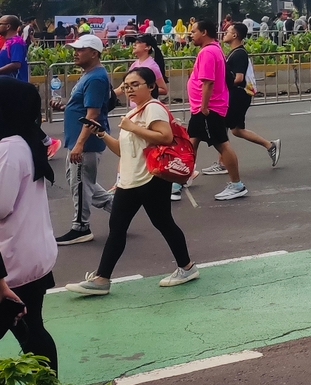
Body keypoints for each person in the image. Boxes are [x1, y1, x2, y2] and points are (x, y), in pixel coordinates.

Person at [64, 67, 199, 297]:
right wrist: (102, 134)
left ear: (151, 86)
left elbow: (165, 137)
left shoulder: (153, 109)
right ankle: (102, 280)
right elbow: (123, 151)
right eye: (126, 86)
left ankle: (186, 268)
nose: (130, 90)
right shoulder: (132, 114)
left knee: (163, 223)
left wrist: (133, 127)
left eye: (135, 84)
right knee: (117, 229)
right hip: (130, 181)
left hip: (151, 178)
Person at [0, 76, 59, 370]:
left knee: (31, 331)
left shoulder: (9, 147)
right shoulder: (24, 137)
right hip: (28, 255)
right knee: (31, 330)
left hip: (13, 260)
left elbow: (0, 205)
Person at [50, 34, 113, 244]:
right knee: (78, 181)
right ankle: (118, 208)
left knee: (80, 183)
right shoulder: (89, 75)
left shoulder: (95, 77)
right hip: (79, 140)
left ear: (94, 53)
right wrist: (66, 106)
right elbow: (84, 106)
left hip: (85, 142)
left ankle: (81, 227)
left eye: (80, 49)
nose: (75, 53)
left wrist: (80, 144)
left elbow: (93, 114)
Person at [183, 20, 245, 201]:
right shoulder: (213, 49)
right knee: (190, 143)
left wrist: (203, 106)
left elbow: (208, 82)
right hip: (204, 108)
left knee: (222, 144)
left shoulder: (209, 52)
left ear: (204, 32)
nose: (191, 35)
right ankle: (180, 180)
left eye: (194, 31)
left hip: (208, 109)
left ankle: (237, 185)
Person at [207, 24, 280, 170]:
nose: (224, 34)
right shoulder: (235, 52)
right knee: (236, 129)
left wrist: (222, 85)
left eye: (228, 32)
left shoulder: (239, 54)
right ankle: (270, 145)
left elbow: (239, 78)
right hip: (238, 94)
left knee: (224, 127)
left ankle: (222, 163)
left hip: (238, 94)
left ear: (235, 35)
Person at [0, 15, 29, 82]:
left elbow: (16, 64)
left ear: (8, 26)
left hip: (15, 85)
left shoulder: (16, 43)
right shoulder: (8, 42)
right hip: (6, 82)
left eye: (0, 24)